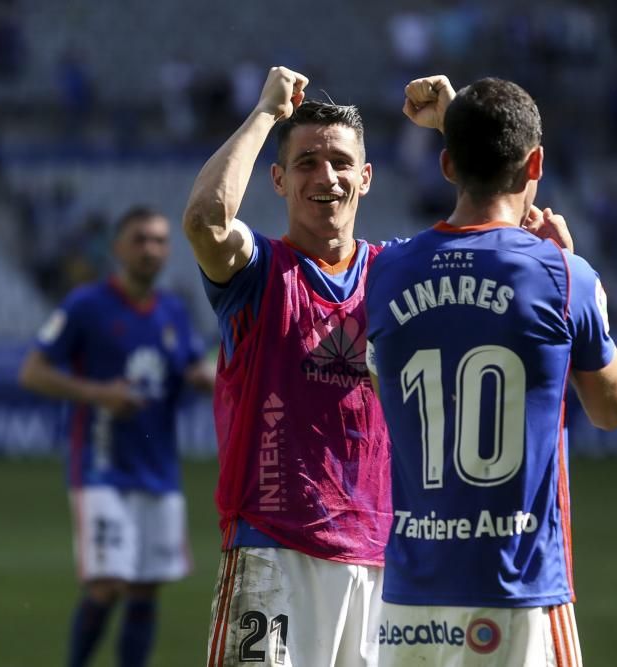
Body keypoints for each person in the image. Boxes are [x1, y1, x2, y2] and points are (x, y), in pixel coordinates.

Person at [365, 75, 617, 666]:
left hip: (410, 597)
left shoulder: (385, 273)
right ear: (534, 161)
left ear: (444, 164)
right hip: (517, 588)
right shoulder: (564, 278)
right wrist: (573, 266)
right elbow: (611, 409)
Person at [183, 66, 393, 666]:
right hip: (272, 553)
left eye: (341, 162)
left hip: (381, 560)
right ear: (277, 178)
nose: (325, 176)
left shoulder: (396, 275)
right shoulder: (258, 273)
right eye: (306, 163)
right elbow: (205, 222)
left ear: (367, 177)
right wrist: (266, 115)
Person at [18, 205, 215, 667]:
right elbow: (32, 372)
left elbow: (188, 366)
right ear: (118, 247)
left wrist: (205, 377)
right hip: (101, 468)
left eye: (160, 241)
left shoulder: (173, 310)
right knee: (108, 586)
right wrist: (96, 393)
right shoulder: (86, 305)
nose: (151, 250)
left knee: (146, 588)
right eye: (140, 239)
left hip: (160, 472)